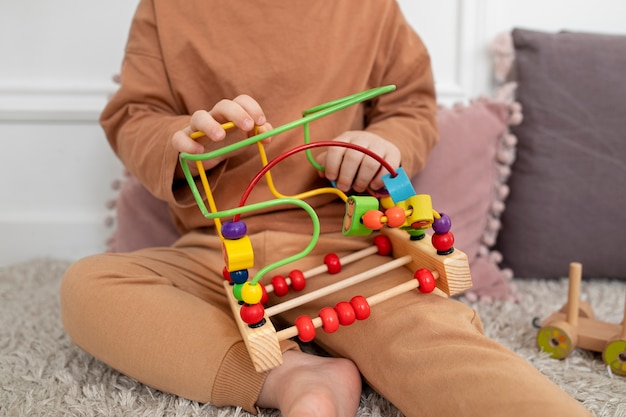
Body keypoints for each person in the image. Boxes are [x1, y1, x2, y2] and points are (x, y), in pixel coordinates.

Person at [60, 1, 593, 417]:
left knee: (436, 342)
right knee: (89, 287)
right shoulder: (165, 8)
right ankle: (295, 377)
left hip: (344, 249)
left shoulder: (370, 7)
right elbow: (134, 114)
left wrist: (381, 143)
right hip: (217, 250)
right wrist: (183, 138)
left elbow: (409, 105)